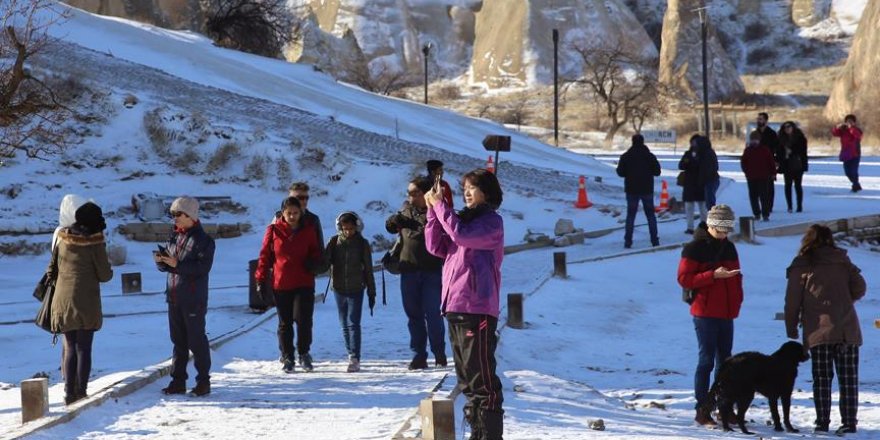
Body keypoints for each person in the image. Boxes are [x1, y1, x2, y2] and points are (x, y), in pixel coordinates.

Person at [425, 168, 505, 440]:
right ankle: (476, 433)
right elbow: (435, 246)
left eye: (472, 188)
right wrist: (434, 212)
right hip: (455, 306)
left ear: (487, 192)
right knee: (466, 380)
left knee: (482, 379)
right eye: (464, 189)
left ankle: (490, 435)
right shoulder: (460, 220)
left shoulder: (491, 222)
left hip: (477, 307)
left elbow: (461, 236)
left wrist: (441, 208)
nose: (467, 193)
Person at [785, 224, 866, 435]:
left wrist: (791, 326)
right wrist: (846, 300)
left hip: (818, 330)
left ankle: (822, 422)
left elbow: (792, 299)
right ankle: (849, 422)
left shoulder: (802, 264)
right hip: (847, 328)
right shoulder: (842, 260)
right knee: (848, 379)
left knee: (821, 378)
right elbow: (860, 287)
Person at [677, 204, 744, 427]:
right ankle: (702, 409)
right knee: (706, 361)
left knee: (726, 363)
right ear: (712, 225)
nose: (725, 234)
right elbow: (685, 279)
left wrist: (737, 301)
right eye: (721, 229)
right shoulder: (694, 248)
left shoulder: (730, 248)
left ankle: (723, 407)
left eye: (728, 229)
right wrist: (712, 275)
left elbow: (736, 278)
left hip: (726, 313)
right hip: (704, 312)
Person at [48, 201, 113, 405]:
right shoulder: (96, 243)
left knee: (69, 346)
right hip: (86, 301)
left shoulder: (62, 237)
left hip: (62, 300)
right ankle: (81, 392)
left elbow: (51, 270)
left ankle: (69, 393)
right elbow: (104, 275)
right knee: (84, 347)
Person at [155, 197, 216, 396]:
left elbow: (202, 269)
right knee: (178, 341)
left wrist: (176, 265)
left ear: (190, 215)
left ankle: (203, 381)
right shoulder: (174, 236)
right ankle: (178, 381)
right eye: (172, 215)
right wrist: (162, 262)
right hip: (173, 296)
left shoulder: (204, 240)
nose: (174, 219)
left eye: (178, 214)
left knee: (196, 341)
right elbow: (171, 266)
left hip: (193, 299)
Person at [386, 176, 446, 370]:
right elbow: (390, 227)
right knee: (413, 316)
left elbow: (434, 232)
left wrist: (414, 225)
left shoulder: (437, 211)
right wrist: (393, 221)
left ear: (426, 193)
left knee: (433, 314)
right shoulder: (405, 210)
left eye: (414, 193)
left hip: (431, 271)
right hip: (408, 270)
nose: (410, 196)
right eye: (408, 193)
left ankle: (439, 353)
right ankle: (418, 355)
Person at [256, 196, 322, 373]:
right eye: (289, 213)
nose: (292, 216)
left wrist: (314, 263)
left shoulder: (308, 231)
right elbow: (264, 256)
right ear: (282, 214)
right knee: (285, 323)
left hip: (304, 282)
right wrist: (260, 279)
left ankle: (304, 353)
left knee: (304, 320)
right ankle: (287, 356)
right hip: (281, 283)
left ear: (301, 213)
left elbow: (316, 252)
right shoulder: (273, 231)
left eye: (295, 213)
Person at [325, 211, 377, 373]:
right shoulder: (334, 242)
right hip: (339, 288)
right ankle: (350, 353)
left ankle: (355, 357)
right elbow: (324, 262)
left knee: (353, 323)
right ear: (339, 227)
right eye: (345, 228)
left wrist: (371, 291)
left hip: (356, 288)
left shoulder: (362, 244)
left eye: (351, 229)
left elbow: (368, 269)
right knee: (344, 325)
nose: (348, 232)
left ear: (357, 227)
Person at [616, 134, 661, 248]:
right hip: (647, 189)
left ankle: (628, 241)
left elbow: (620, 172)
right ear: (643, 142)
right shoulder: (649, 156)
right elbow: (657, 171)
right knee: (650, 215)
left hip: (631, 189)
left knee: (631, 216)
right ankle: (654, 240)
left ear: (632, 142)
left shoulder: (626, 156)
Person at [740, 131, 777, 221]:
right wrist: (747, 172)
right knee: (753, 196)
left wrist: (773, 173)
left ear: (759, 140)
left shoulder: (765, 150)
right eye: (752, 140)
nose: (754, 142)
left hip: (764, 177)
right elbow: (743, 163)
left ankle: (765, 214)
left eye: (756, 140)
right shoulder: (748, 150)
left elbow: (771, 162)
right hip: (751, 177)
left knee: (764, 196)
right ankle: (756, 213)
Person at [752, 112, 780, 213]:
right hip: (757, 163)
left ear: (765, 121)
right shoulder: (755, 133)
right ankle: (761, 206)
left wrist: (776, 160)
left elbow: (777, 148)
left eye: (761, 119)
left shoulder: (772, 134)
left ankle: (769, 206)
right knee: (758, 186)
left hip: (769, 162)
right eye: (758, 119)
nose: (758, 121)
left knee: (769, 186)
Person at [778, 121, 808, 212]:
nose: (787, 129)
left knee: (798, 185)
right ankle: (789, 206)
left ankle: (799, 206)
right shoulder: (780, 138)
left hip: (798, 164)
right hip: (786, 164)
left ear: (793, 127)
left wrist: (792, 151)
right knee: (788, 185)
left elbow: (803, 151)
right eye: (785, 127)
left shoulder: (800, 138)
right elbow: (778, 152)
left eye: (789, 127)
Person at [679, 135, 707, 234]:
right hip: (689, 184)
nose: (694, 144)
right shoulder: (687, 154)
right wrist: (688, 161)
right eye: (692, 142)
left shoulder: (704, 154)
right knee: (689, 207)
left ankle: (704, 226)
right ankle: (690, 227)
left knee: (703, 208)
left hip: (700, 184)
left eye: (696, 142)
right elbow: (681, 165)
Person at [831, 114, 863, 193]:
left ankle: (855, 186)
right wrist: (837, 127)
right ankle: (856, 184)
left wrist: (851, 127)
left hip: (855, 154)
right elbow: (835, 133)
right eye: (847, 121)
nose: (849, 123)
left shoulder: (857, 130)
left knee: (854, 171)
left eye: (851, 121)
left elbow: (857, 136)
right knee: (847, 172)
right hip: (846, 153)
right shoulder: (843, 130)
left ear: (854, 122)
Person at [695, 136, 720, 210]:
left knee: (710, 201)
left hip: (710, 180)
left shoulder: (706, 154)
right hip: (711, 180)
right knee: (709, 201)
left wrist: (701, 180)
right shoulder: (706, 152)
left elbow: (706, 169)